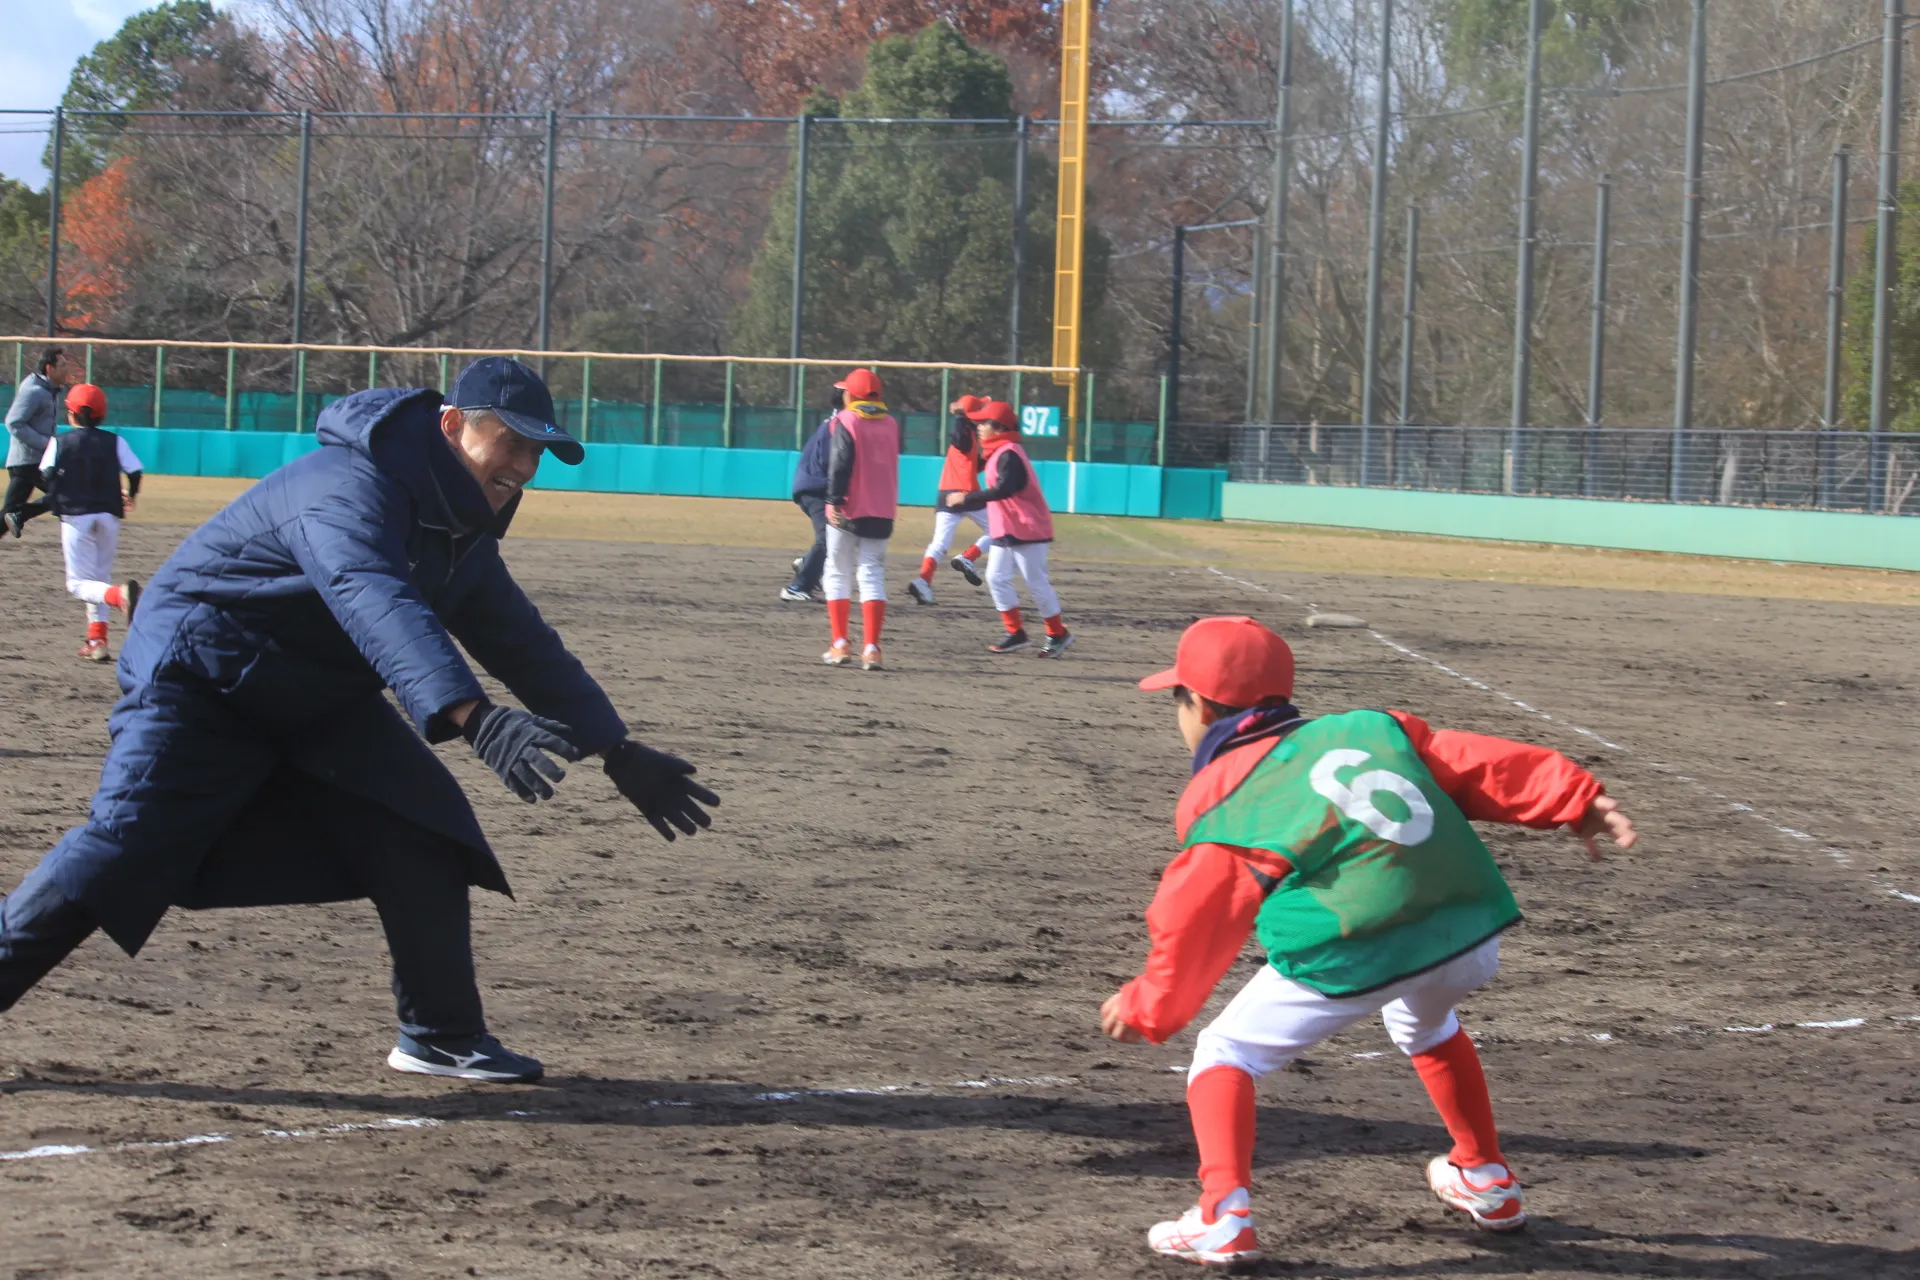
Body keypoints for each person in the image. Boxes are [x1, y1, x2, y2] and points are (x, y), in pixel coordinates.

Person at [0, 357, 720, 1084]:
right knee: (121, 847)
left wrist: (615, 749)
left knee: (425, 831)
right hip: (202, 676)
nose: (524, 466)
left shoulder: (460, 527)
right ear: (452, 426)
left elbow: (519, 639)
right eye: (512, 442)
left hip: (313, 694)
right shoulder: (348, 485)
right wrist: (474, 717)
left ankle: (440, 1035)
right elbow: (370, 595)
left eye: (537, 451)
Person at [1098, 616, 1639, 1267]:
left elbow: (1199, 914)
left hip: (1367, 944)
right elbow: (1474, 761)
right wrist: (1573, 799)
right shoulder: (1368, 728)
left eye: (1178, 700)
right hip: (1467, 928)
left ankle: (1223, 1216)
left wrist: (1150, 1005)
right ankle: (1484, 1176)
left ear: (1203, 706)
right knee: (1424, 1022)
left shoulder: (1226, 792)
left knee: (1224, 1052)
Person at [944, 400, 1072, 657]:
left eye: (984, 423)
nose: (979, 428)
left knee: (1035, 582)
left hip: (1028, 528)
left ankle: (1058, 633)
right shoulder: (995, 452)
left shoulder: (1009, 453)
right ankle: (1016, 633)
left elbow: (1005, 489)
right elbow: (964, 448)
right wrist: (961, 418)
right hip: (1008, 528)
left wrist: (966, 498)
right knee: (996, 577)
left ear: (1000, 428)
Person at [40, 383, 144, 662]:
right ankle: (97, 641)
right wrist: (131, 494)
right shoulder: (115, 441)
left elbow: (46, 474)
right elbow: (135, 471)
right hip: (108, 515)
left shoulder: (60, 441)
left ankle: (119, 596)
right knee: (99, 579)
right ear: (102, 414)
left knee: (78, 584)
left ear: (71, 413)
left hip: (76, 515)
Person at [821, 367, 900, 671]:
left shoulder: (846, 419)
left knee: (837, 571)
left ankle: (840, 643)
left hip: (848, 508)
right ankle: (872, 649)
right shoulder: (891, 423)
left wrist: (833, 499)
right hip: (882, 509)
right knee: (872, 574)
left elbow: (840, 462)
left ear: (850, 395)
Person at [905, 393, 992, 606]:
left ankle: (923, 582)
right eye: (980, 409)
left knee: (940, 543)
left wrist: (987, 459)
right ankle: (968, 557)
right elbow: (958, 439)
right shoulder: (965, 432)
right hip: (965, 493)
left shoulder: (969, 435)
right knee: (999, 529)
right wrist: (960, 417)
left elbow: (972, 464)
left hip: (946, 493)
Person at [4, 346, 73, 538]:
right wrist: (44, 444)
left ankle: (18, 514)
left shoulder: (49, 391)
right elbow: (13, 422)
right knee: (66, 491)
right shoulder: (34, 391)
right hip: (29, 462)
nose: (67, 369)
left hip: (31, 461)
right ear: (49, 368)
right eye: (62, 365)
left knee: (6, 515)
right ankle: (21, 514)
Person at [781, 389, 842, 603]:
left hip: (816, 487)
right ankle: (797, 587)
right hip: (816, 489)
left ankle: (806, 564)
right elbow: (831, 463)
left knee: (838, 537)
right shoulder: (837, 425)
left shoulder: (837, 422)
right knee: (827, 539)